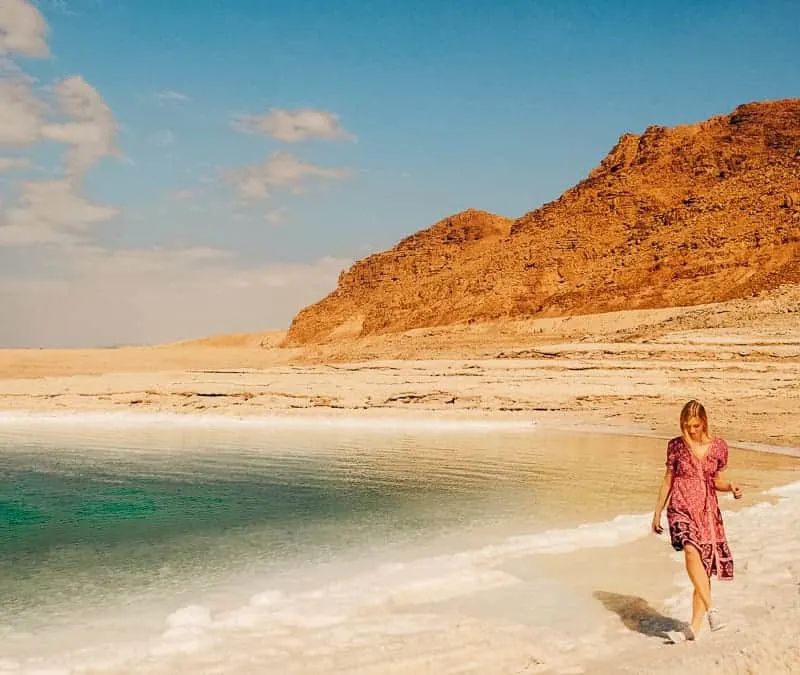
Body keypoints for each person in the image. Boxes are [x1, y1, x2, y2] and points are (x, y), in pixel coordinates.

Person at [651, 400, 743, 641]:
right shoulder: (676, 447)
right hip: (680, 507)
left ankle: (693, 628)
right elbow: (668, 479)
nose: (691, 430)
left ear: (703, 422)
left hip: (707, 513)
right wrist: (657, 511)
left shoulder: (718, 447)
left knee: (704, 569)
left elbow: (716, 481)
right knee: (690, 551)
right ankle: (712, 610)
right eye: (686, 425)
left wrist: (730, 486)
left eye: (695, 425)